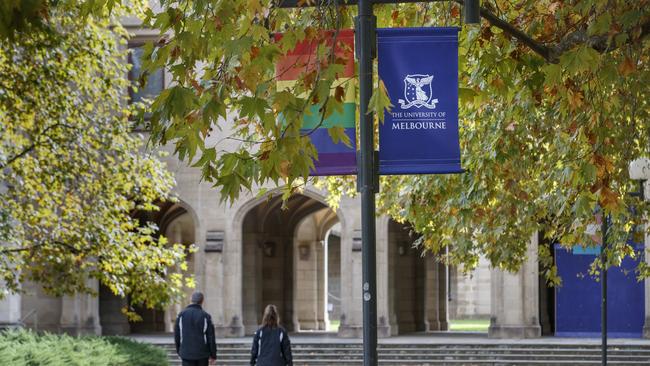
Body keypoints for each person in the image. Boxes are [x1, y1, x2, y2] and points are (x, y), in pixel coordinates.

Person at [174, 292, 217, 366]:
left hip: (186, 353)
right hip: (202, 354)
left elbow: (177, 335)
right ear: (202, 301)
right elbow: (211, 337)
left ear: (191, 300)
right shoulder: (206, 316)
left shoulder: (181, 315)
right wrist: (213, 355)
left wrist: (179, 351)